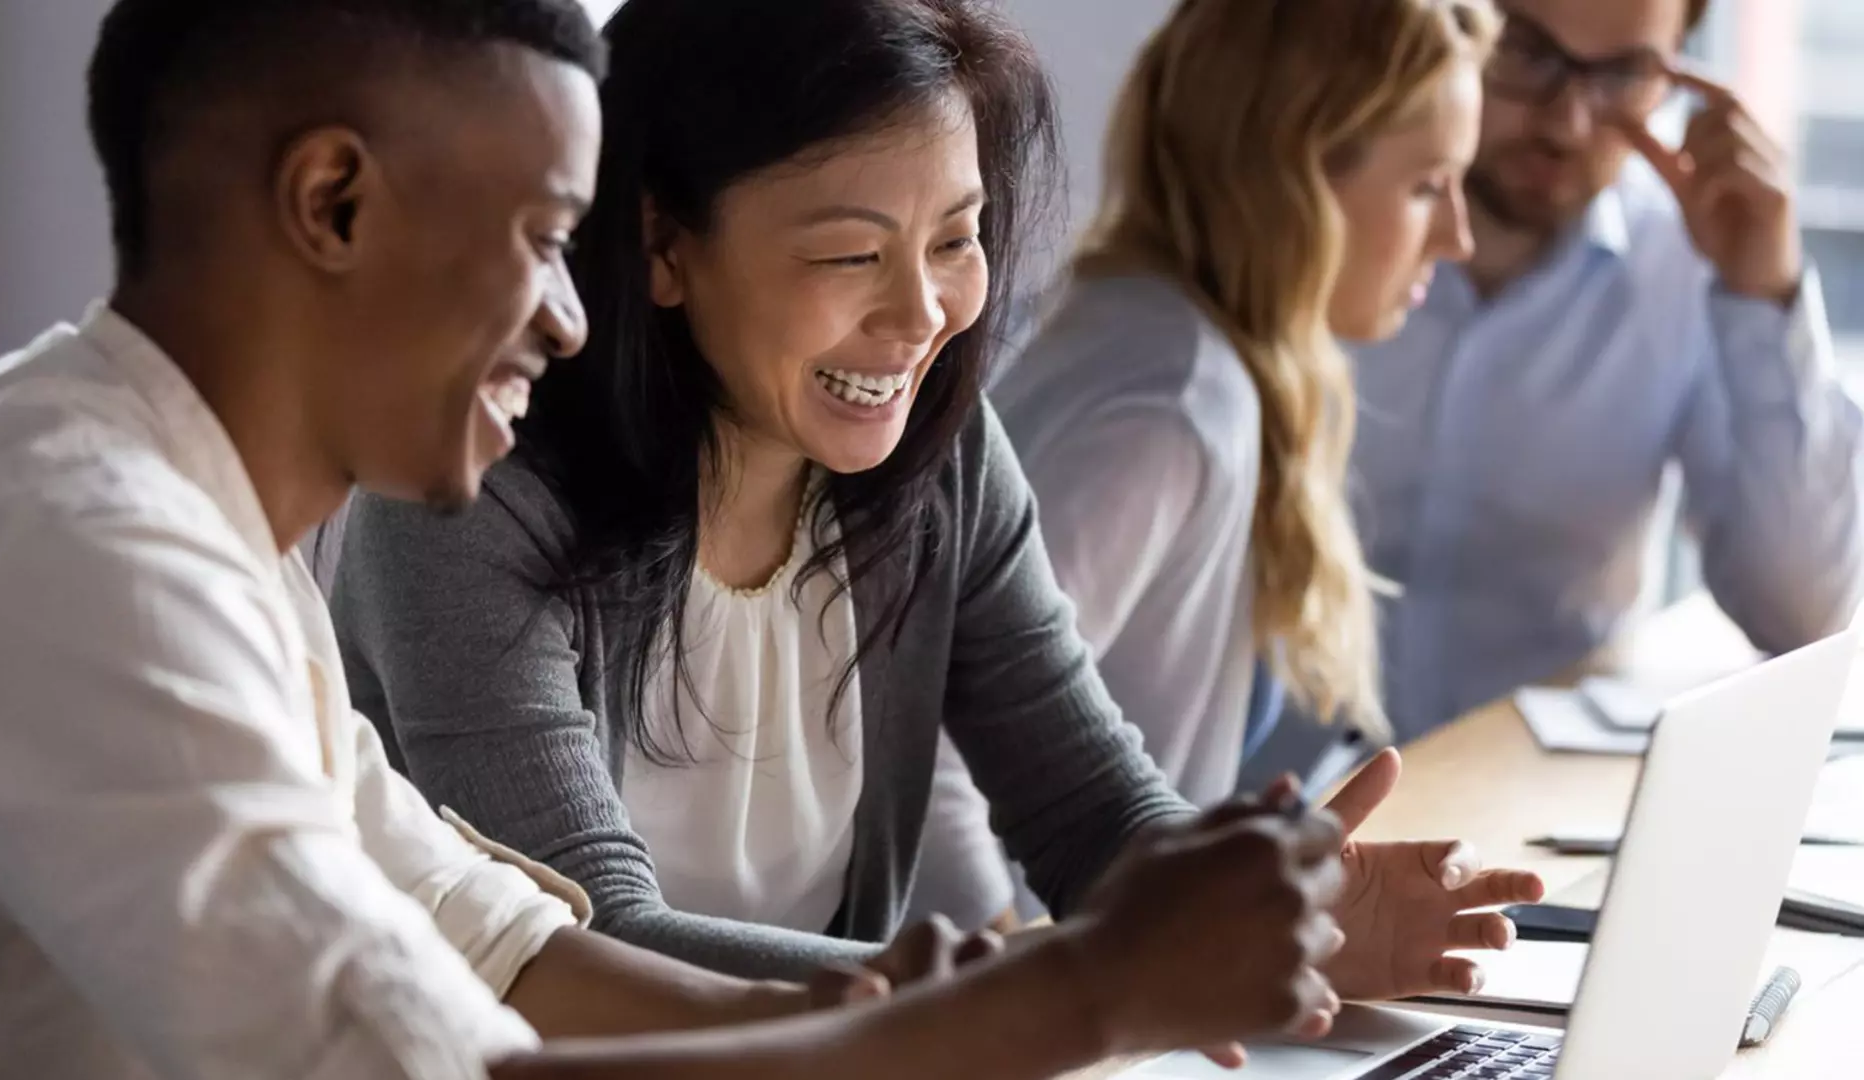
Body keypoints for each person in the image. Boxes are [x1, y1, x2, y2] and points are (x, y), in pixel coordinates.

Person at [0, 1, 1369, 1076]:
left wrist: (1042, 993)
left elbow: (496, 946)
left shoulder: (201, 522)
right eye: (543, 235)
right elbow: (421, 1063)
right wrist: (1077, 999)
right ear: (335, 203)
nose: (572, 314)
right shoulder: (83, 552)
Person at [330, 0, 1543, 999]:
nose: (922, 317)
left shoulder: (937, 456)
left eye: (956, 239)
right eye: (852, 254)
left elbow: (1089, 812)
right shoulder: (470, 493)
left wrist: (1276, 919)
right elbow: (586, 952)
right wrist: (1073, 987)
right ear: (661, 244)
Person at [906, 0, 1500, 923]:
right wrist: (1020, 1012)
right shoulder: (1170, 407)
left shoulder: (1177, 341)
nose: (1458, 235)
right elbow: (929, 745)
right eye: (1428, 185)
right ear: (1296, 174)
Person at [1340, 0, 1864, 742]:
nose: (1568, 122)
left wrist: (1763, 295)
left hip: (1532, 800)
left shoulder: (1688, 264)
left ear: (1680, 65)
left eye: (1624, 74)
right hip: (1274, 805)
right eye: (1525, 51)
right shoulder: (1307, 230)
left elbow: (1802, 615)